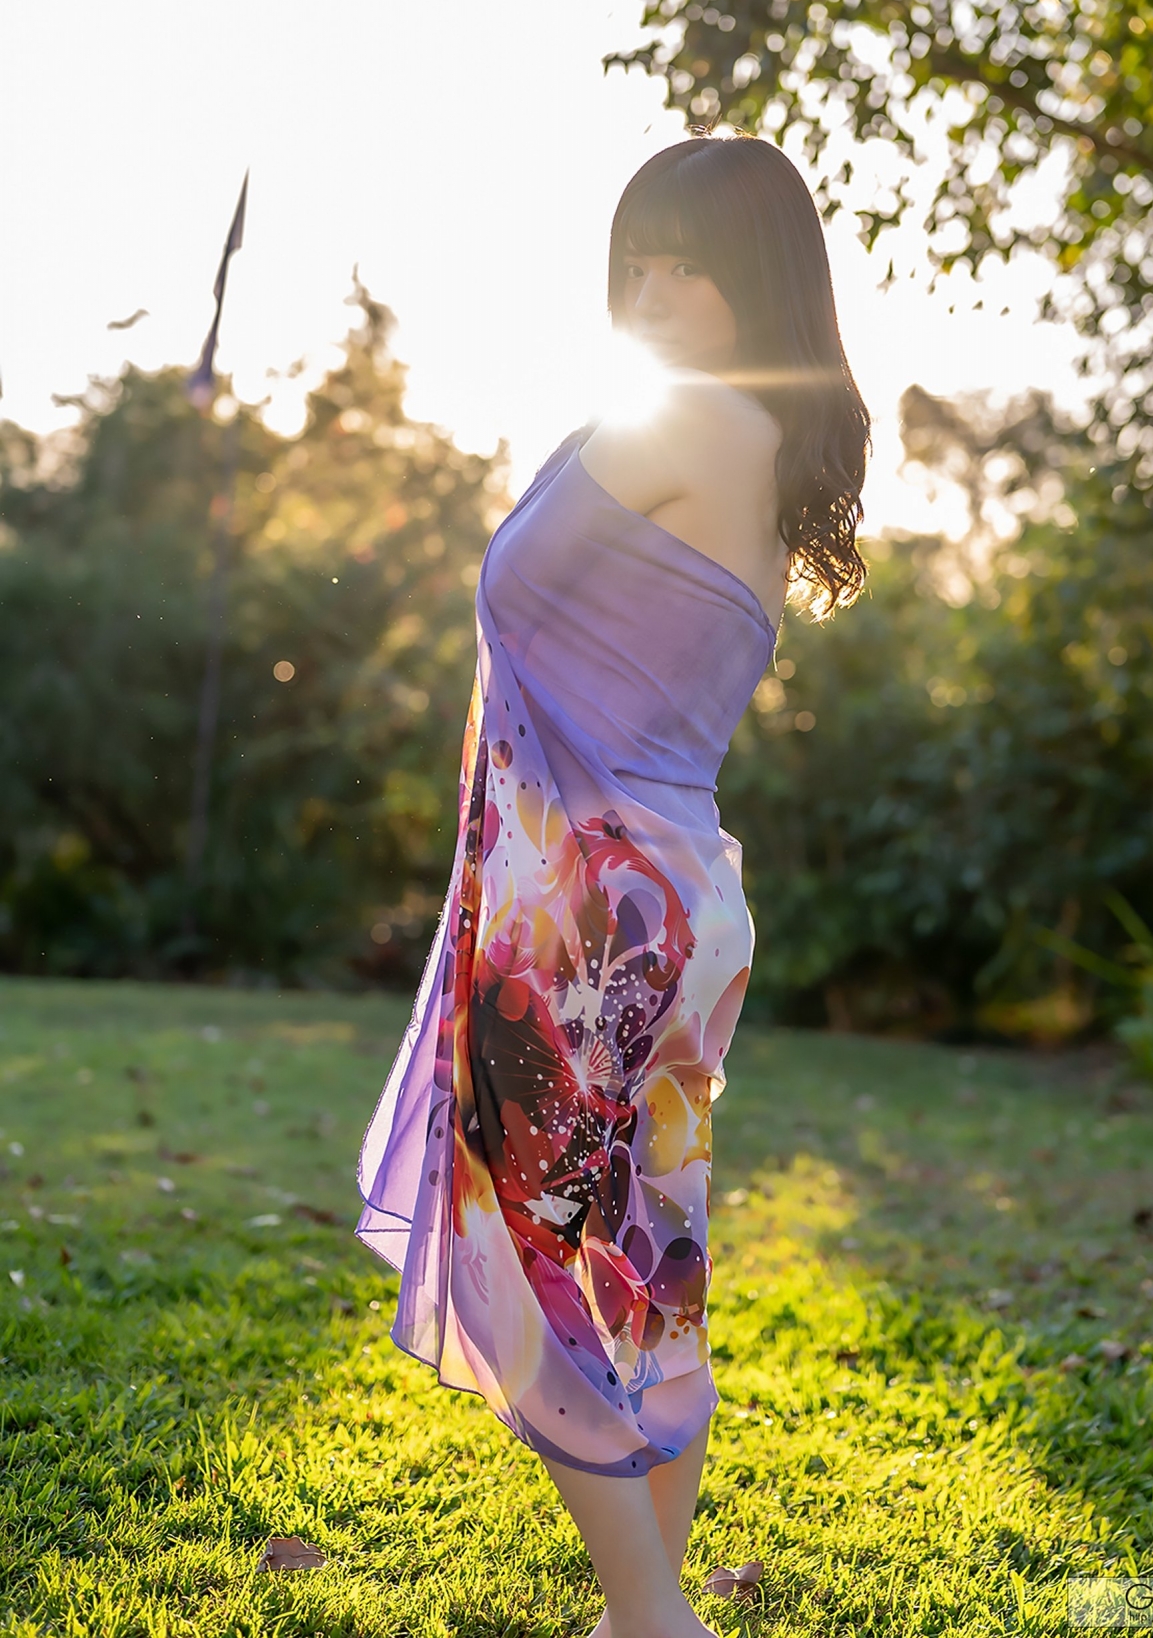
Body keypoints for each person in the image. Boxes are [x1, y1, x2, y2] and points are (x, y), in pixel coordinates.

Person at [356, 131, 870, 1638]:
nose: (648, 292)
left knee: (529, 1243)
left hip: (594, 908)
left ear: (756, 281)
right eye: (634, 261)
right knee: (649, 1255)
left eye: (685, 265)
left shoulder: (688, 417)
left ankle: (649, 1616)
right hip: (679, 895)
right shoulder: (762, 442)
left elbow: (512, 572)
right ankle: (642, 1610)